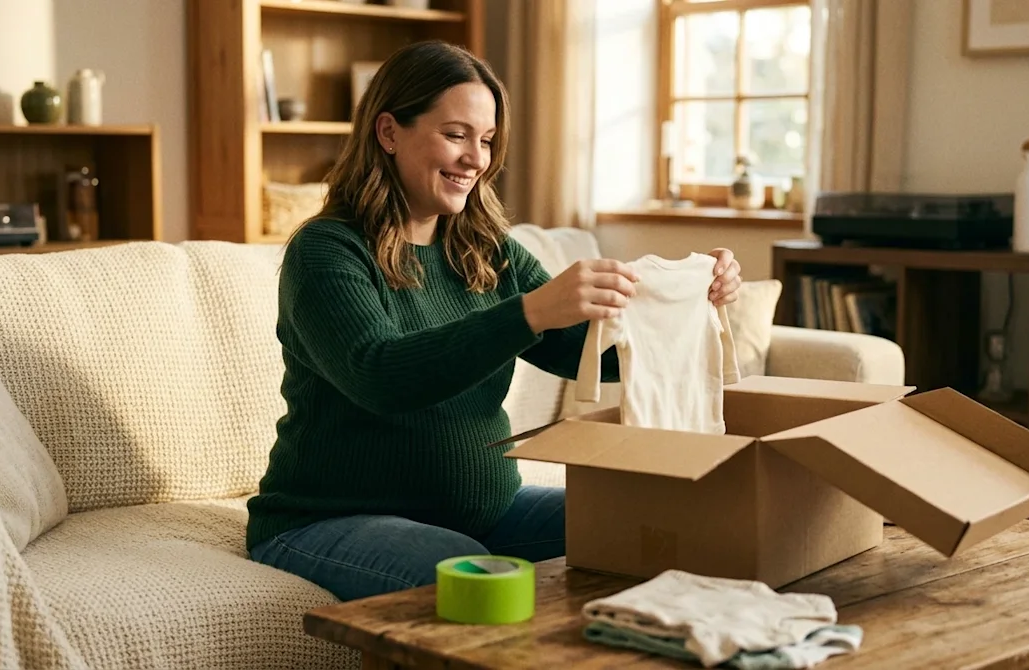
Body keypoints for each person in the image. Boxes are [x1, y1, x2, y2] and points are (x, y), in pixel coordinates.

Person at [245, 40, 744, 602]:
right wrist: (532, 310)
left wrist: (693, 306)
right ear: (388, 132)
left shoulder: (486, 250)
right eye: (455, 135)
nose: (476, 159)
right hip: (325, 522)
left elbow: (590, 356)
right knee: (466, 570)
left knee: (662, 524)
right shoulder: (327, 251)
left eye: (485, 140)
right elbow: (378, 376)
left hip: (489, 512)